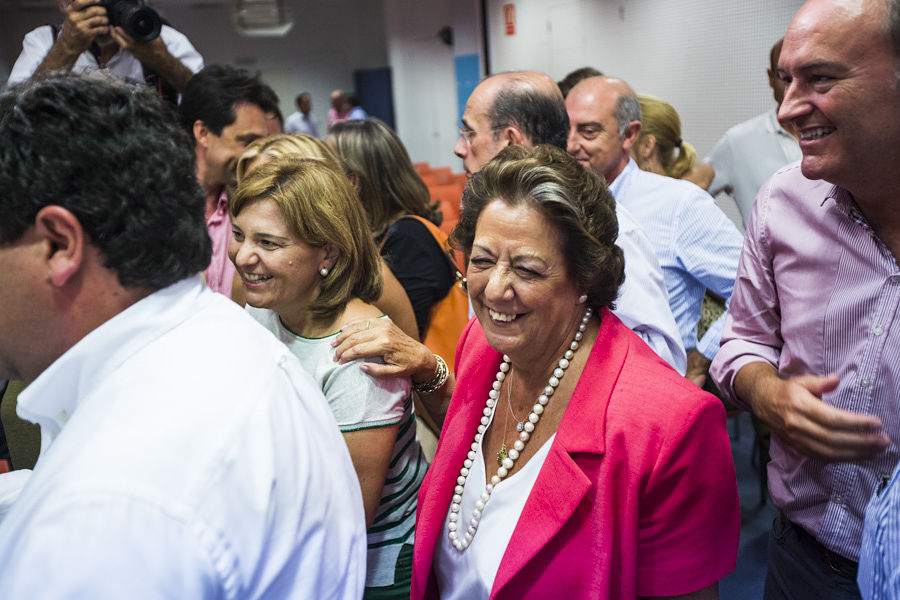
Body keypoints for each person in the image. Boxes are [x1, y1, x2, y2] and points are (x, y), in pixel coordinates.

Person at [0, 72, 365, 597]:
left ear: (60, 244)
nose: (246, 255)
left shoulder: (106, 511)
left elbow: (120, 509)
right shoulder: (219, 332)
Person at [335, 145, 740, 598]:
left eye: (526, 269)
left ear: (585, 277)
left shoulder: (672, 424)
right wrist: (430, 370)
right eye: (483, 261)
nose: (494, 289)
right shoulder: (481, 348)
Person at [710, 0, 900, 597]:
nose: (788, 108)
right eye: (786, 80)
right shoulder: (782, 203)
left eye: (820, 79)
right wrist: (767, 394)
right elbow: (741, 339)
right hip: (806, 558)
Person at [230, 156, 426, 599]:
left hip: (369, 567)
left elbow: (350, 511)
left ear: (328, 254)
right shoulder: (266, 306)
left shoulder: (357, 354)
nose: (244, 256)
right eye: (239, 235)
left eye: (269, 242)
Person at [452, 70, 686, 374]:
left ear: (510, 141)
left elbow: (660, 363)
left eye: (469, 133)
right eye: (484, 261)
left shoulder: (599, 228)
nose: (459, 148)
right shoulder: (488, 213)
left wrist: (556, 376)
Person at [566, 76, 743, 387]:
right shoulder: (560, 206)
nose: (570, 144)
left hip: (651, 395)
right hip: (574, 393)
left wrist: (702, 358)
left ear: (630, 134)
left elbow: (753, 288)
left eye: (588, 131)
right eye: (565, 130)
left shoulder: (678, 205)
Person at [234, 133, 420, 342]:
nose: (256, 199)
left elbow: (409, 359)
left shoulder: (373, 288)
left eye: (276, 183)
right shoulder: (254, 287)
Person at [329, 118, 454, 341]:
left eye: (326, 169)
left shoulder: (408, 240)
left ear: (352, 182)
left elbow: (404, 338)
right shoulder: (391, 234)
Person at [179, 64, 279, 297]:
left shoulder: (255, 206)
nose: (257, 154)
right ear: (202, 133)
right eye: (248, 142)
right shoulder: (154, 208)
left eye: (262, 142)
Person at [9, 0, 203, 94]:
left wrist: (162, 61)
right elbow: (12, 116)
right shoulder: (44, 42)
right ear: (64, 3)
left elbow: (209, 107)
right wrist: (66, 49)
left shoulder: (164, 41)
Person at [706, 38, 801, 228]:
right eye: (786, 78)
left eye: (805, 76)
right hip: (764, 257)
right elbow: (687, 192)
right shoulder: (738, 141)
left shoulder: (839, 138)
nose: (795, 87)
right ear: (770, 77)